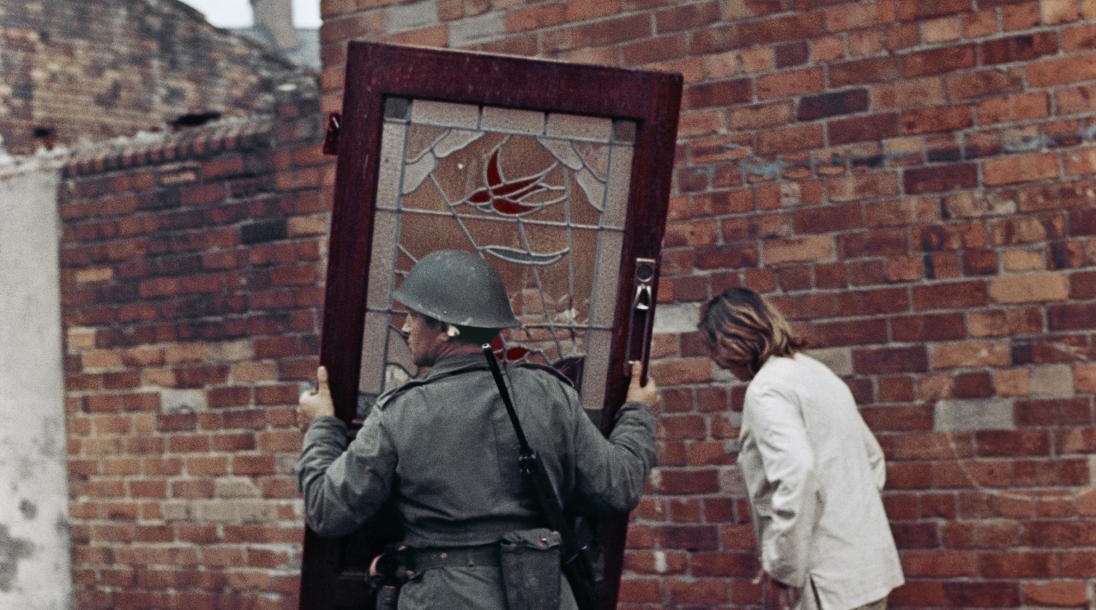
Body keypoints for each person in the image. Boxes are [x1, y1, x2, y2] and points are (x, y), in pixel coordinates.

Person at [296, 249, 658, 609]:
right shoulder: (551, 393)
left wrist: (321, 427)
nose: (405, 327)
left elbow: (329, 509)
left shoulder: (401, 411)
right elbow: (619, 485)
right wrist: (638, 413)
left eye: (413, 317)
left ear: (443, 330)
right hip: (541, 594)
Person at [698, 287, 904, 610]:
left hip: (829, 583)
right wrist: (844, 519)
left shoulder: (766, 389)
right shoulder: (817, 373)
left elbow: (796, 473)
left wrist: (783, 567)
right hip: (868, 573)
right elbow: (872, 459)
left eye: (712, 347)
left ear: (730, 341)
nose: (715, 361)